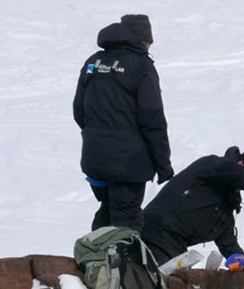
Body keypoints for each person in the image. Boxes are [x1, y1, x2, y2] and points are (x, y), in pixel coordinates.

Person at [73, 13, 172, 232]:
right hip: (128, 163)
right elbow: (152, 119)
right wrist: (163, 164)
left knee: (108, 210)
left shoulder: (93, 62)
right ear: (142, 40)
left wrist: (97, 136)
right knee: (126, 221)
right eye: (148, 42)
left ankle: (93, 260)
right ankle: (123, 265)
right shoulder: (141, 66)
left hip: (94, 157)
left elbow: (79, 111)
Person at [140, 147, 244, 267]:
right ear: (240, 164)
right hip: (157, 232)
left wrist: (243, 261)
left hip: (175, 246)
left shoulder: (227, 203)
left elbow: (227, 241)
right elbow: (234, 171)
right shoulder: (214, 165)